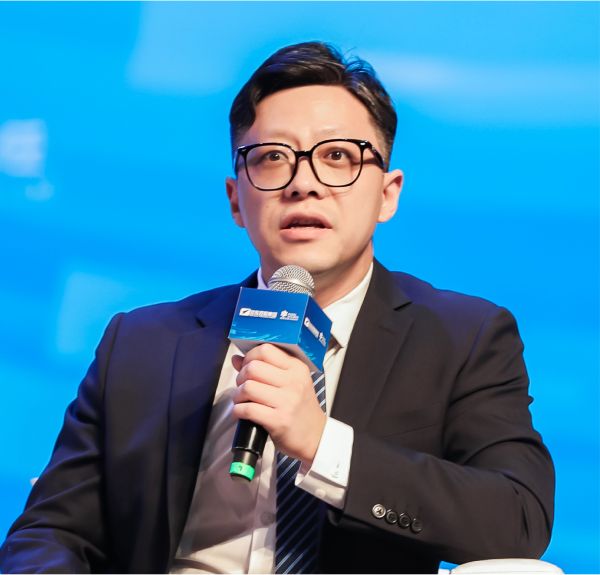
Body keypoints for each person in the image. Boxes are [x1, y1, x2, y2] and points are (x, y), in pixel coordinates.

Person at [0, 41, 554, 574]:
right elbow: (51, 531)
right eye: (272, 158)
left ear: (388, 194)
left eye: (337, 156)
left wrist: (321, 443)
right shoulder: (143, 341)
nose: (303, 184)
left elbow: (518, 519)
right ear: (236, 200)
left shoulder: (463, 338)